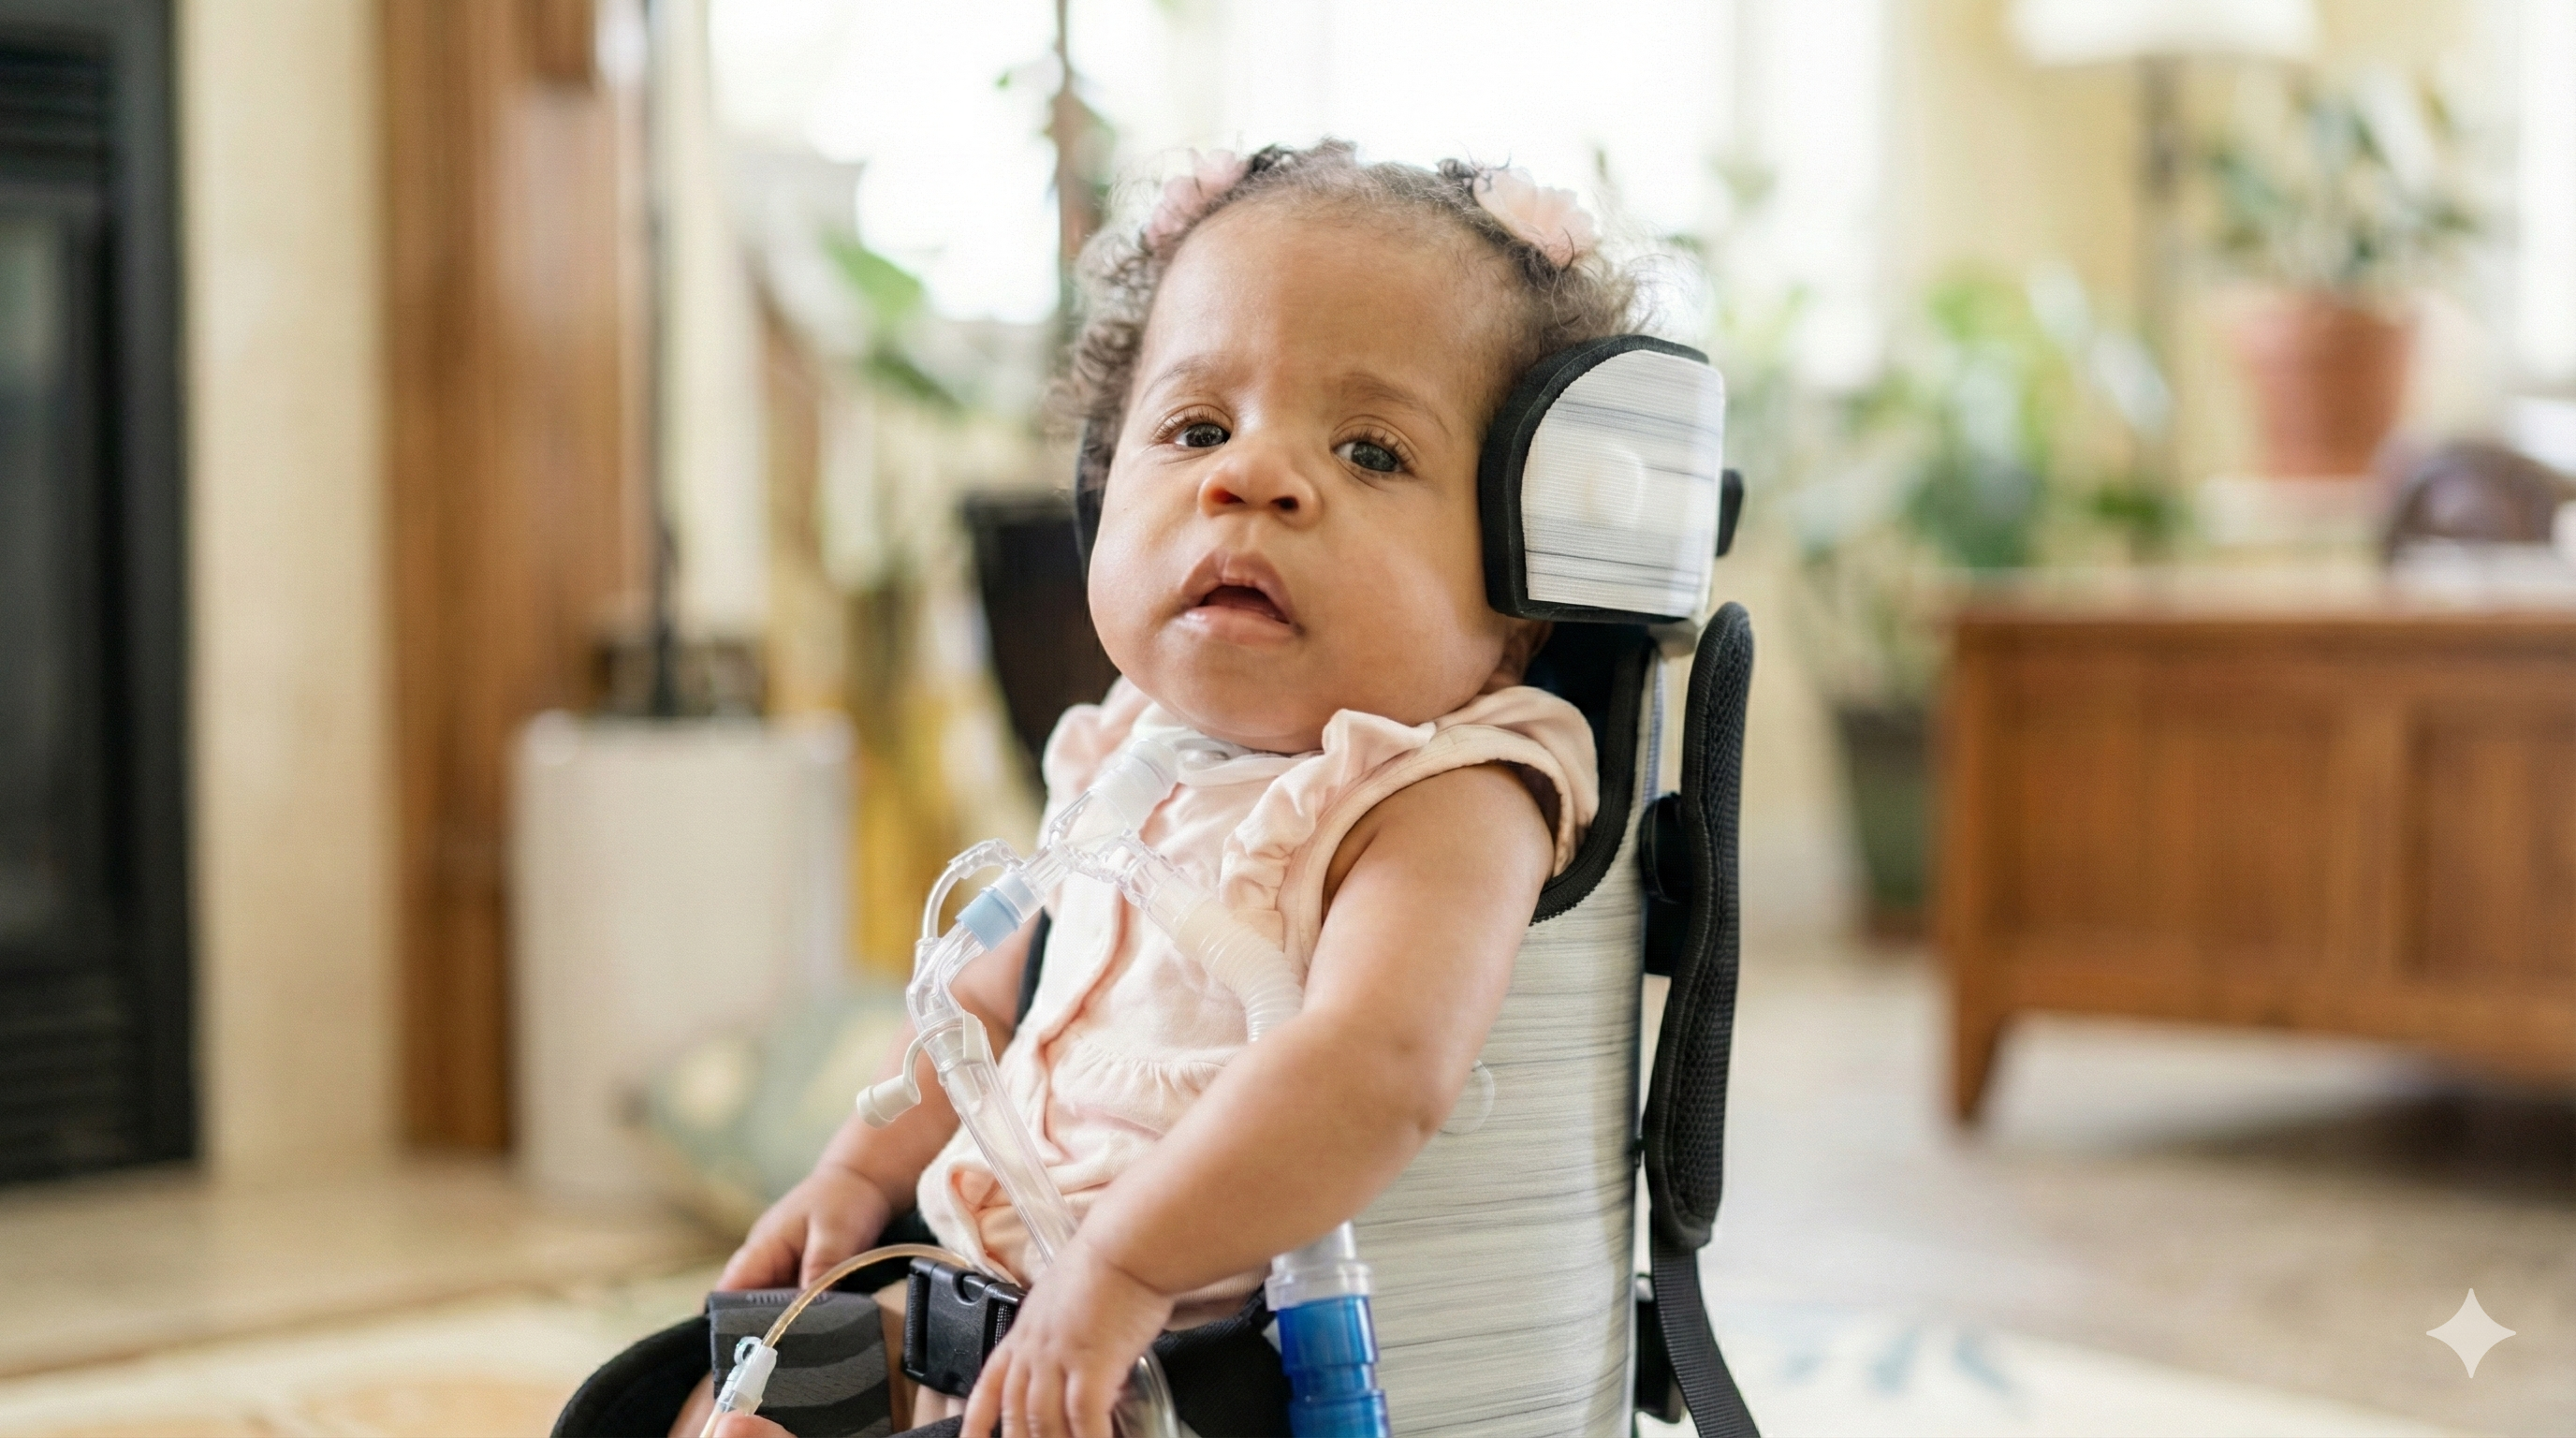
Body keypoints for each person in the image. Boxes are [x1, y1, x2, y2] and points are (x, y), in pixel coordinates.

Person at [680, 139, 1641, 1438]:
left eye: (1370, 450)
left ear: (1524, 575)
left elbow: (1378, 1066)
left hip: (1184, 1356)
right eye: (1196, 429)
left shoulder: (1448, 792)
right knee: (725, 1396)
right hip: (983, 1293)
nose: (1251, 477)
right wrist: (855, 1177)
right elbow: (981, 1003)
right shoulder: (1122, 759)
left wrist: (1124, 1270)